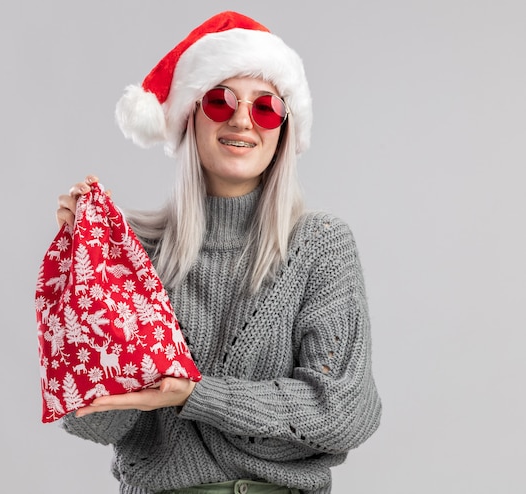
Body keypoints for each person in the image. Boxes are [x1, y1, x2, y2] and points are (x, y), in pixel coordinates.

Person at [54, 11, 381, 494]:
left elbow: (344, 412)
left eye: (266, 106)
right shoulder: (134, 251)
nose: (242, 120)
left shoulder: (319, 247)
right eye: (219, 100)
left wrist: (194, 395)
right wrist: (87, 274)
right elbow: (91, 422)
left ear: (284, 129)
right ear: (191, 116)